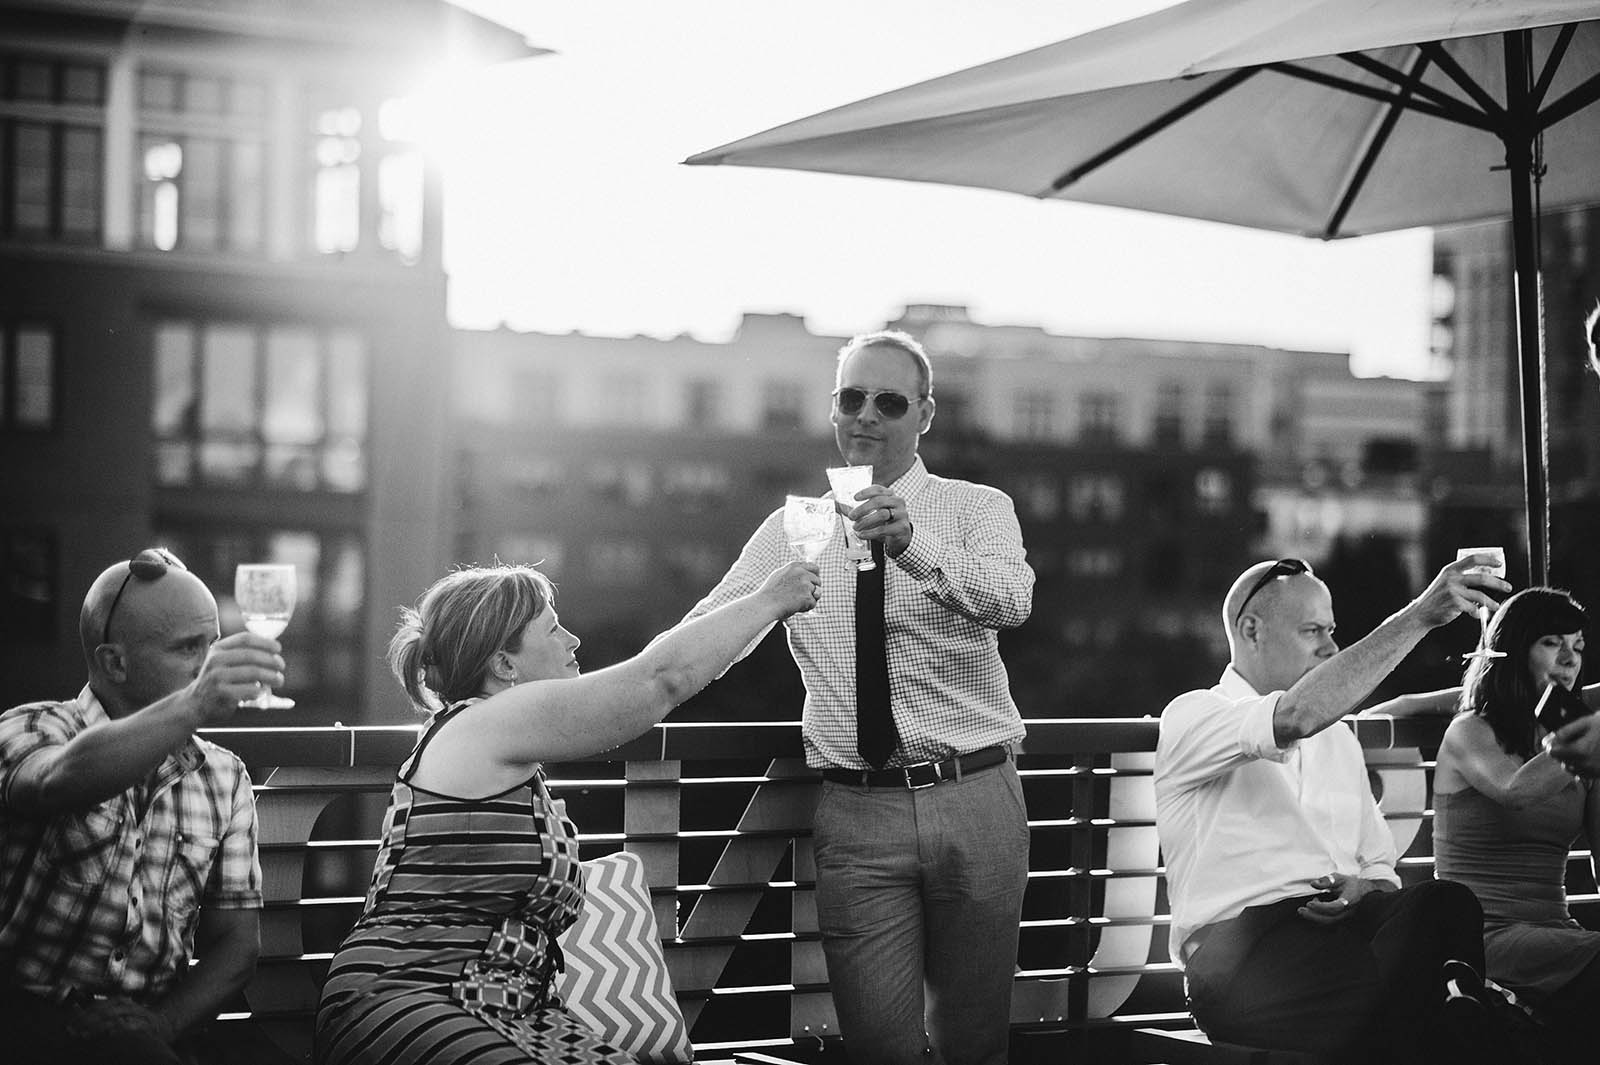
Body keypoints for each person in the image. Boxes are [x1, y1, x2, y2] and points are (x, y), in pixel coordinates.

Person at [668, 330, 1033, 1065]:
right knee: (879, 1049)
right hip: (856, 813)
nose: (866, 414)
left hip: (976, 796)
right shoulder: (796, 526)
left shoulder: (974, 506)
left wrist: (912, 544)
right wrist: (595, 686)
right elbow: (709, 631)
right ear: (833, 407)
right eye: (851, 397)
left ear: (925, 414)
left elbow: (1013, 599)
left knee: (974, 1045)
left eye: (890, 400)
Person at [314, 558, 819, 1065]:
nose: (574, 641)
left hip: (503, 1006)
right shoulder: (483, 724)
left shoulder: (498, 742)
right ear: (504, 666)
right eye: (554, 629)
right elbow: (660, 679)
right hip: (410, 996)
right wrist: (769, 601)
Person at [1155, 554, 1514, 1064]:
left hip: (1344, 941)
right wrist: (1419, 616)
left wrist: (1364, 886)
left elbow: (1380, 868)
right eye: (1311, 631)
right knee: (1430, 1014)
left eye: (1331, 629)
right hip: (1242, 959)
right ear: (1252, 630)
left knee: (1447, 903)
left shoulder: (1340, 741)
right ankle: (1471, 1012)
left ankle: (1464, 1011)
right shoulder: (1194, 715)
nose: (1331, 647)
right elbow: (1295, 717)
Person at [0, 547, 284, 1065]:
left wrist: (164, 1022)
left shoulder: (224, 775)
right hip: (25, 1019)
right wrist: (195, 702)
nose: (209, 664)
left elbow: (236, 947)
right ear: (115, 662)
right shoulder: (32, 728)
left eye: (214, 643)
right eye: (187, 648)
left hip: (152, 1033)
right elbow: (53, 782)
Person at [1434, 587, 1600, 1060]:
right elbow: (1516, 791)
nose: (1570, 658)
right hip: (1482, 939)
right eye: (1552, 642)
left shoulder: (1581, 747)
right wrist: (1582, 745)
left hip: (1557, 934)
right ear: (1514, 651)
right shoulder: (1471, 732)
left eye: (1579, 646)